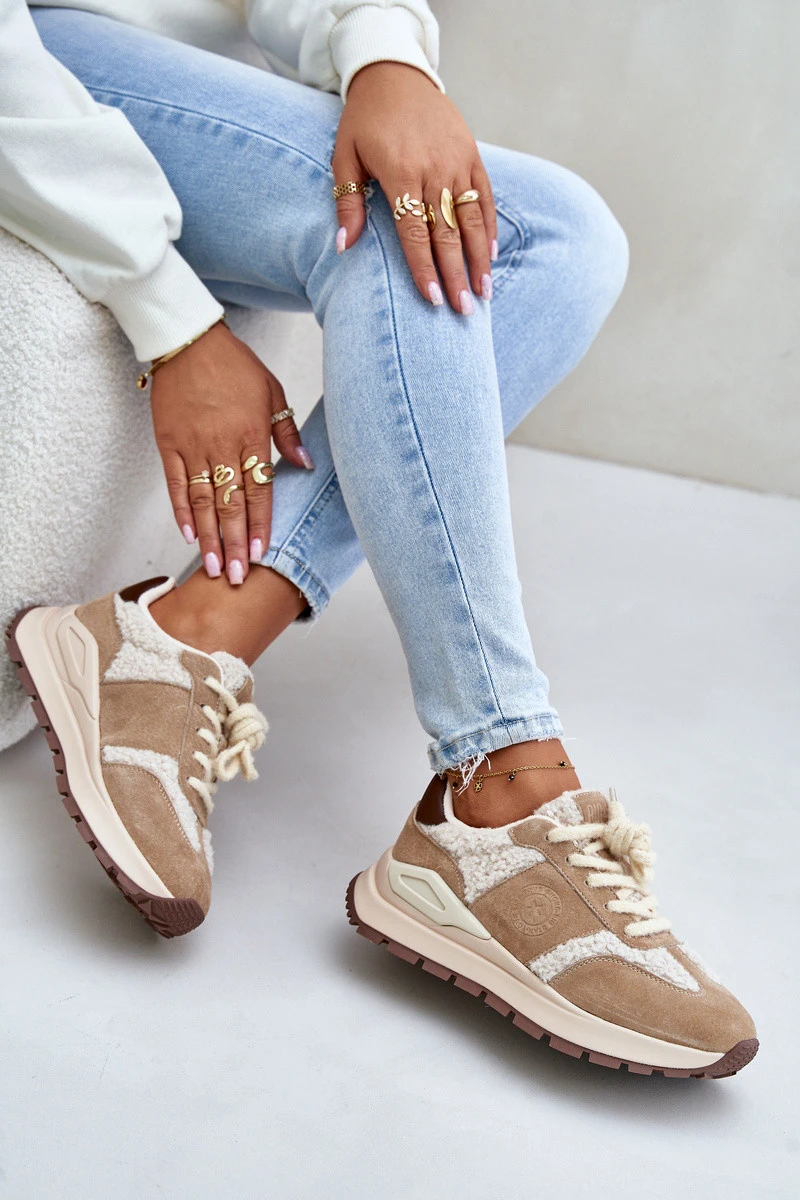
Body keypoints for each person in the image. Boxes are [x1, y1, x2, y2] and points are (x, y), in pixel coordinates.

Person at [1, 0, 757, 1077]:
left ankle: (189, 634)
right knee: (408, 223)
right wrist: (171, 321)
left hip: (193, 74)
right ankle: (500, 784)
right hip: (40, 53)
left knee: (565, 242)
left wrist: (383, 53)